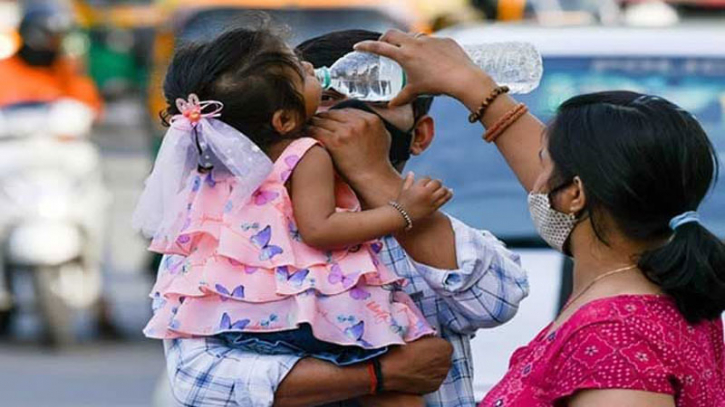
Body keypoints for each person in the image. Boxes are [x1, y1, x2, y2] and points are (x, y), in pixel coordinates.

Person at [157, 29, 529, 407]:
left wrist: (374, 176)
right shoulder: (224, 232)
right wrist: (376, 376)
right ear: (286, 115)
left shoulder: (415, 223)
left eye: (374, 99)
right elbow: (198, 377)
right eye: (330, 98)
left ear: (419, 135)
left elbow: (495, 301)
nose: (352, 120)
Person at [354, 30, 725, 406]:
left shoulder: (616, 338)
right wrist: (470, 85)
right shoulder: (671, 289)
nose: (534, 180)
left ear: (575, 194)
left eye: (544, 161)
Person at [0, 5, 102, 113]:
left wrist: (77, 74)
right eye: (54, 36)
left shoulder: (66, 72)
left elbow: (91, 110)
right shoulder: (4, 71)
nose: (57, 43)